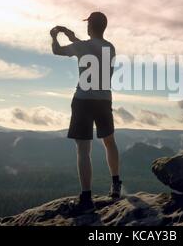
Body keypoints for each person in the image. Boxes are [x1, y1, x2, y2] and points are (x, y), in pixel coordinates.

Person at [50, 12, 122, 214]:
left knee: (83, 149)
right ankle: (116, 185)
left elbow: (57, 51)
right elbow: (91, 48)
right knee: (109, 141)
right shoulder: (110, 48)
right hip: (104, 100)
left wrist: (54, 36)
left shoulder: (81, 47)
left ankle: (86, 197)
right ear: (104, 27)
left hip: (83, 100)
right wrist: (72, 37)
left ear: (90, 26)